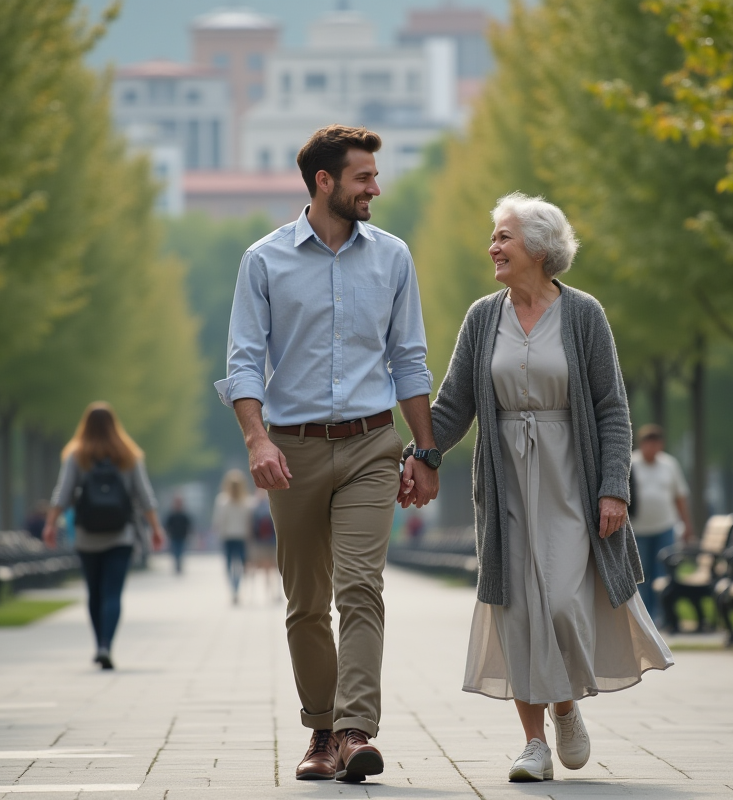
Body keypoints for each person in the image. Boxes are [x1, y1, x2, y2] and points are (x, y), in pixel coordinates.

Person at [415, 192, 673, 783]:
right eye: (494, 238)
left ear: (538, 247)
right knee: (519, 608)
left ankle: (564, 704)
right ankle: (534, 744)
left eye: (503, 237)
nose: (493, 248)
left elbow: (612, 408)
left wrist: (615, 487)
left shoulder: (584, 314)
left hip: (570, 479)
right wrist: (421, 453)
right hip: (505, 477)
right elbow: (454, 404)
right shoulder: (484, 316)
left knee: (561, 603)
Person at [215, 124, 436, 783]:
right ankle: (319, 729)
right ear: (324, 182)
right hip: (293, 451)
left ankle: (353, 730)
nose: (375, 186)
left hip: (373, 443)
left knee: (362, 587)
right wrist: (256, 440)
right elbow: (244, 360)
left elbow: (410, 360)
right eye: (364, 176)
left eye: (374, 175)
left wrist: (425, 451)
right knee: (306, 599)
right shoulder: (264, 259)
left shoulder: (393, 257)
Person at [42, 402, 163, 670]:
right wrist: (155, 528)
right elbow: (144, 496)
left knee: (94, 593)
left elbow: (62, 494)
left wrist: (50, 524)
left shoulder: (77, 456)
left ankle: (99, 645)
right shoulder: (129, 455)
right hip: (121, 535)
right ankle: (107, 645)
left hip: (86, 535)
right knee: (113, 593)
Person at [629, 423, 694, 621]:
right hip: (638, 529)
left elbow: (680, 496)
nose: (653, 448)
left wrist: (687, 525)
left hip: (665, 527)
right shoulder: (630, 462)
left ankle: (660, 614)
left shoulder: (669, 464)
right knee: (641, 573)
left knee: (662, 572)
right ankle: (644, 615)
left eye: (656, 443)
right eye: (649, 443)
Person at [211, 469, 252, 602]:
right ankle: (236, 587)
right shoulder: (246, 501)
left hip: (228, 536)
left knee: (230, 564)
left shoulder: (222, 500)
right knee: (240, 564)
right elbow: (249, 521)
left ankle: (234, 589)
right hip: (241, 536)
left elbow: (218, 521)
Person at [249, 488, 280, 602]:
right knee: (272, 569)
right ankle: (273, 593)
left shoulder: (253, 507)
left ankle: (257, 594)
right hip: (270, 542)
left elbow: (251, 526)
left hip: (261, 543)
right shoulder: (272, 505)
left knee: (261, 569)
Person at [163, 495, 193, 575]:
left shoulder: (184, 515)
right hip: (174, 536)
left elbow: (189, 526)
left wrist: (189, 534)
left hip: (183, 537)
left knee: (181, 552)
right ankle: (177, 565)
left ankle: (179, 565)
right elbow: (167, 525)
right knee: (175, 552)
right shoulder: (171, 515)